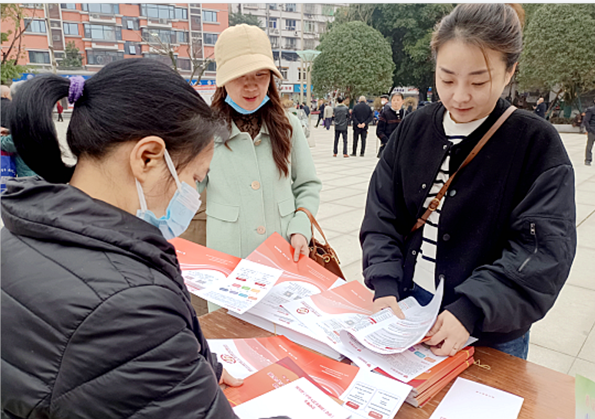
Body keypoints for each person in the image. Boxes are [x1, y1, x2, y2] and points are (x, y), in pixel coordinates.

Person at [1, 59, 242, 418]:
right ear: (147, 158)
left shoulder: (21, 233)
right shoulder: (130, 305)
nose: (195, 194)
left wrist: (190, 368)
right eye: (195, 177)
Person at [360, 4, 576, 360]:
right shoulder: (414, 128)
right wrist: (384, 283)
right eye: (447, 79)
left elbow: (542, 253)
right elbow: (382, 213)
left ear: (510, 71)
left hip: (488, 329)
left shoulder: (535, 143)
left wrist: (471, 308)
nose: (459, 96)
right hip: (407, 305)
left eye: (478, 82)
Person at [202, 24, 321, 289]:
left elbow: (308, 185)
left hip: (283, 252)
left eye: (260, 74)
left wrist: (301, 226)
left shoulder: (288, 126)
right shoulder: (205, 131)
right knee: (232, 315)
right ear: (222, 79)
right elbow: (185, 188)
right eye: (239, 75)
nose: (251, 86)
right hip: (228, 258)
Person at [376, 92, 408, 158]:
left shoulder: (406, 114)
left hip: (402, 148)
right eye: (394, 100)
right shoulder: (385, 114)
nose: (396, 102)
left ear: (402, 101)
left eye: (398, 100)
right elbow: (379, 131)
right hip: (388, 147)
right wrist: (387, 142)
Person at [584, 99, 595, 166]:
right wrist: (589, 129)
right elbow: (586, 120)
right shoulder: (590, 110)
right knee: (589, 146)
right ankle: (588, 160)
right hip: (592, 131)